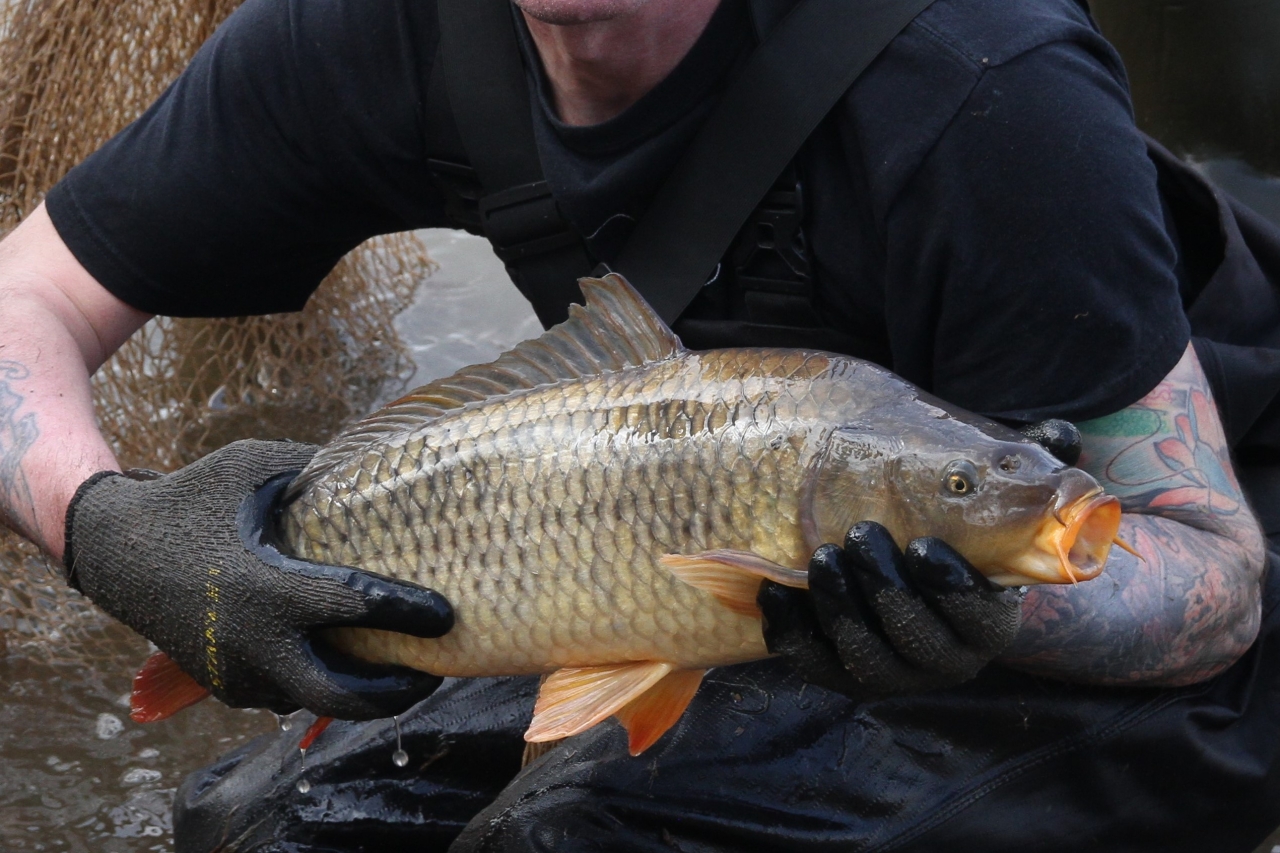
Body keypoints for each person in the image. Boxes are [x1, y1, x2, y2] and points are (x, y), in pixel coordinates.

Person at [1, 0, 1279, 849]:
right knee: (268, 823)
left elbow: (1213, 577)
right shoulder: (374, 31)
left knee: (583, 834)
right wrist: (107, 527)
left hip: (1126, 612)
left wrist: (989, 608)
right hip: (685, 534)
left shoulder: (982, 82)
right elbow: (26, 300)